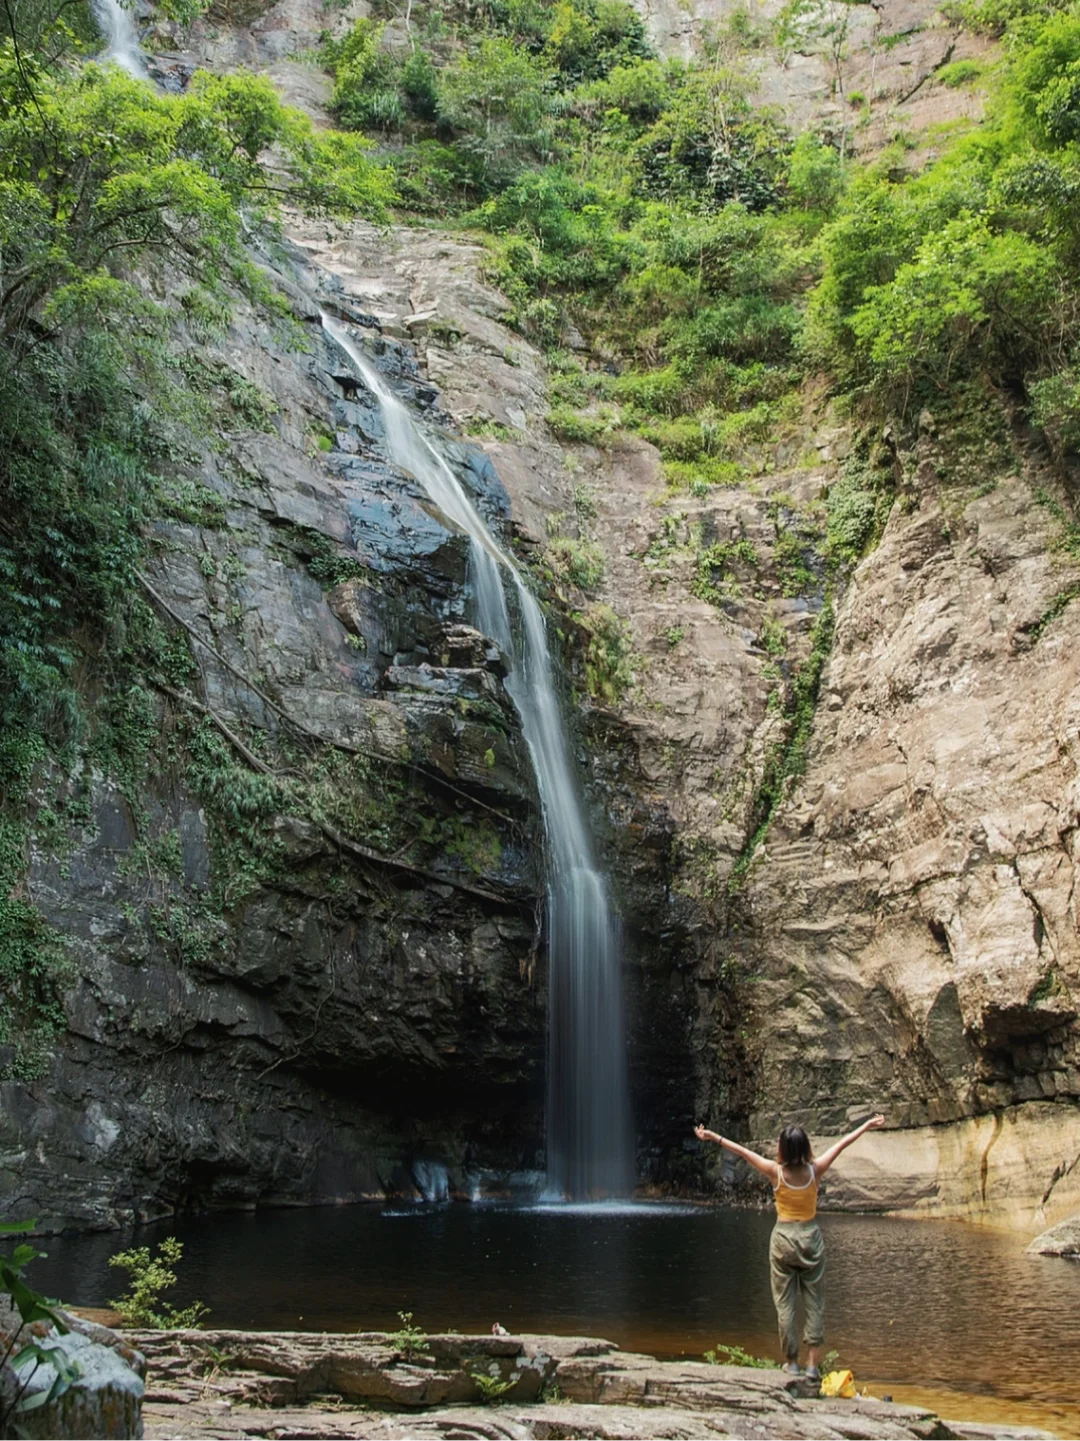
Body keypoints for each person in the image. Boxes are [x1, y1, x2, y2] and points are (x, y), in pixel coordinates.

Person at [694, 1115, 885, 1381]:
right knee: (815, 1302)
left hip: (783, 1238)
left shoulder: (776, 1172)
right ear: (805, 1147)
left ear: (782, 1149)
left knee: (785, 1303)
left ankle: (792, 1363)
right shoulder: (816, 1170)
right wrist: (866, 1125)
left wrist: (712, 1136)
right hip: (810, 1237)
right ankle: (813, 1366)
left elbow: (743, 1152)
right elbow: (842, 1143)